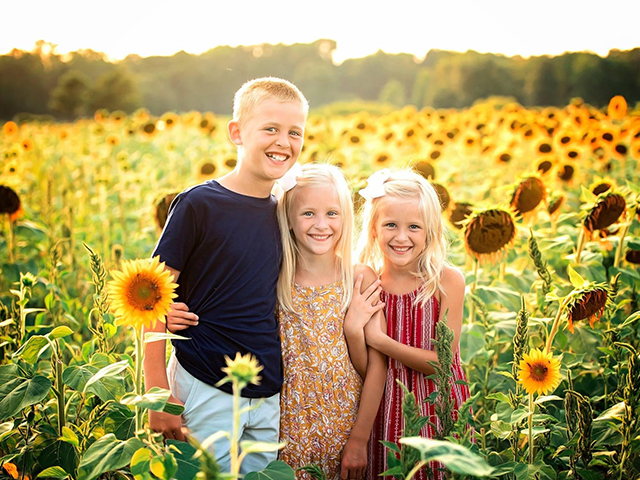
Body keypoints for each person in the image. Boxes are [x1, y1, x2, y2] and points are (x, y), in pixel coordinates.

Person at [144, 77, 308, 475]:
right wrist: (157, 394)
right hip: (205, 380)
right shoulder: (200, 204)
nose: (283, 142)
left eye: (294, 133)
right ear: (236, 132)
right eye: (269, 129)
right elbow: (150, 298)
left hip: (267, 386)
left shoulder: (283, 210)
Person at [275, 163, 387, 480]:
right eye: (308, 213)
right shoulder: (275, 277)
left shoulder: (359, 277)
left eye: (332, 213)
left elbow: (377, 367)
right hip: (287, 434)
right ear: (288, 218)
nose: (321, 225)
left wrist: (359, 439)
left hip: (346, 428)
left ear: (346, 217)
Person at [356, 169, 470, 480]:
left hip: (437, 410)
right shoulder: (369, 284)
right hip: (383, 410)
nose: (401, 237)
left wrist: (381, 341)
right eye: (390, 225)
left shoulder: (446, 282)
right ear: (374, 229)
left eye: (414, 227)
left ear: (430, 231)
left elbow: (442, 364)